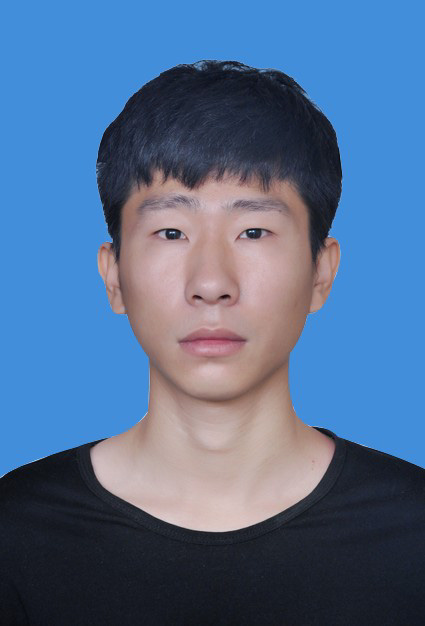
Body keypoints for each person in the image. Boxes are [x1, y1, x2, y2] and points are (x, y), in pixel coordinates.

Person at [1, 59, 424, 625]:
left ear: (321, 272)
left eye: (254, 231)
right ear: (113, 275)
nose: (211, 283)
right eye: (171, 231)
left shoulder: (413, 533)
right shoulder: (16, 531)